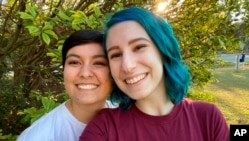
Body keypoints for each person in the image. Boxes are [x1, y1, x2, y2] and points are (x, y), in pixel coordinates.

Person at [79, 7, 229, 141]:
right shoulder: (104, 128)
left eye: (139, 47)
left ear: (163, 51)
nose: (127, 66)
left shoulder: (207, 118)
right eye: (116, 55)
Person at [17, 29, 117, 141]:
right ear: (63, 70)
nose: (85, 73)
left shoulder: (129, 118)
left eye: (99, 63)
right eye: (74, 62)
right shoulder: (38, 136)